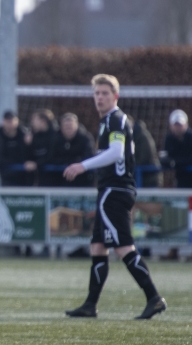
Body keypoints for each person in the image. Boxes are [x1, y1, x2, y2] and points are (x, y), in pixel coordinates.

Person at [63, 74, 166, 320]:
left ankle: (154, 297)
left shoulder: (116, 120)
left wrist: (83, 165)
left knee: (123, 248)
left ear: (115, 96)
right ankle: (90, 305)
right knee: (98, 247)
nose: (99, 98)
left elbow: (116, 152)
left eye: (104, 93)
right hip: (109, 190)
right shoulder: (107, 121)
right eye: (96, 93)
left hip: (115, 191)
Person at [159, 109, 192, 262]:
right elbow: (164, 160)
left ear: (186, 124)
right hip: (182, 182)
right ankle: (174, 250)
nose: (178, 127)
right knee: (178, 214)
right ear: (171, 126)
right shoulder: (169, 138)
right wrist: (177, 163)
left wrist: (175, 163)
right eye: (175, 125)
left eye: (180, 125)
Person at [0, 110, 33, 187]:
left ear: (17, 121)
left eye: (11, 121)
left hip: (23, 175)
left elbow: (31, 154)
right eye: (7, 121)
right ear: (3, 121)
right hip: (3, 174)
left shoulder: (25, 135)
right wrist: (0, 162)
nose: (9, 124)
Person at [49, 113, 95, 188]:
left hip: (82, 179)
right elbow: (51, 157)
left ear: (76, 125)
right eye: (66, 127)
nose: (68, 129)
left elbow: (89, 156)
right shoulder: (55, 139)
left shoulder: (85, 138)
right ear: (61, 127)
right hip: (60, 179)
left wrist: (74, 164)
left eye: (70, 127)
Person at [28, 109, 59, 186]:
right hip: (39, 177)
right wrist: (27, 145)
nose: (32, 122)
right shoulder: (33, 136)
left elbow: (53, 156)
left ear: (43, 121)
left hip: (55, 177)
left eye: (34, 120)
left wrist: (37, 164)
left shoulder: (56, 135)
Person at [130, 116, 161, 188]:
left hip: (150, 177)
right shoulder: (131, 137)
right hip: (141, 177)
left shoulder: (142, 136)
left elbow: (145, 158)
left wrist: (129, 166)